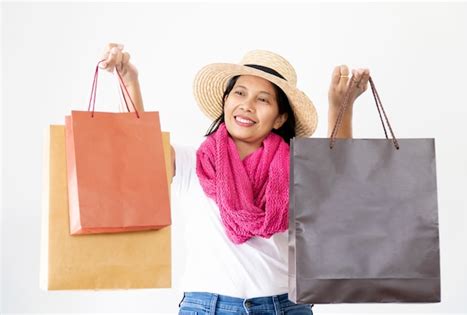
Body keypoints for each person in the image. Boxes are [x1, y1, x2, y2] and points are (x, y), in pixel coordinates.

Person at [99, 43, 370, 315]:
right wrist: (128, 80)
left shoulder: (296, 169)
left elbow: (340, 181)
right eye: (239, 93)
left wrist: (341, 107)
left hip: (283, 307)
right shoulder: (191, 162)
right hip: (206, 308)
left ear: (280, 118)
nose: (247, 105)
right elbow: (138, 150)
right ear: (226, 101)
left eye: (263, 99)